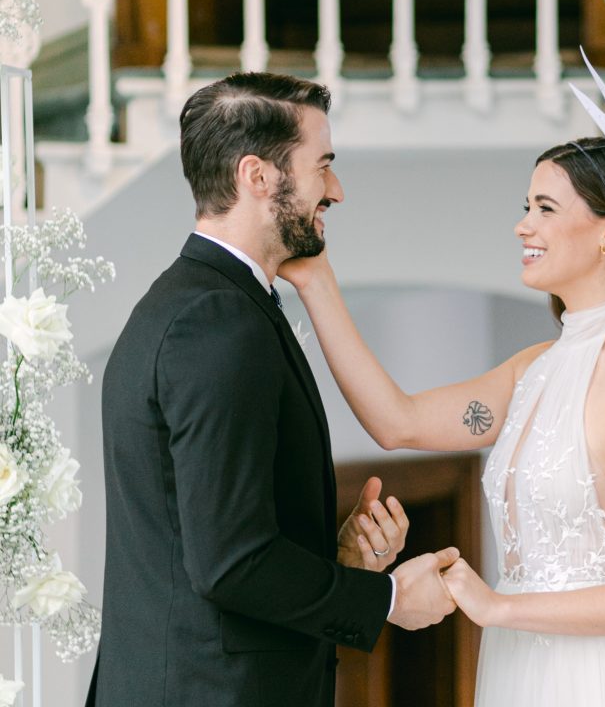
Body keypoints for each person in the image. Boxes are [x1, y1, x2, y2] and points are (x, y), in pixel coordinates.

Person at [280, 62, 605, 705]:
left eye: (544, 208)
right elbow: (398, 422)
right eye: (525, 206)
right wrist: (317, 283)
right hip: (520, 671)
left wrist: (497, 607)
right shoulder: (534, 369)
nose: (522, 225)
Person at [88, 72, 459, 707]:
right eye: (323, 166)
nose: (335, 190)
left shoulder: (201, 305)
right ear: (257, 177)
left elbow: (207, 535)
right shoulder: (215, 323)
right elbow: (230, 563)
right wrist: (389, 600)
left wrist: (334, 558)